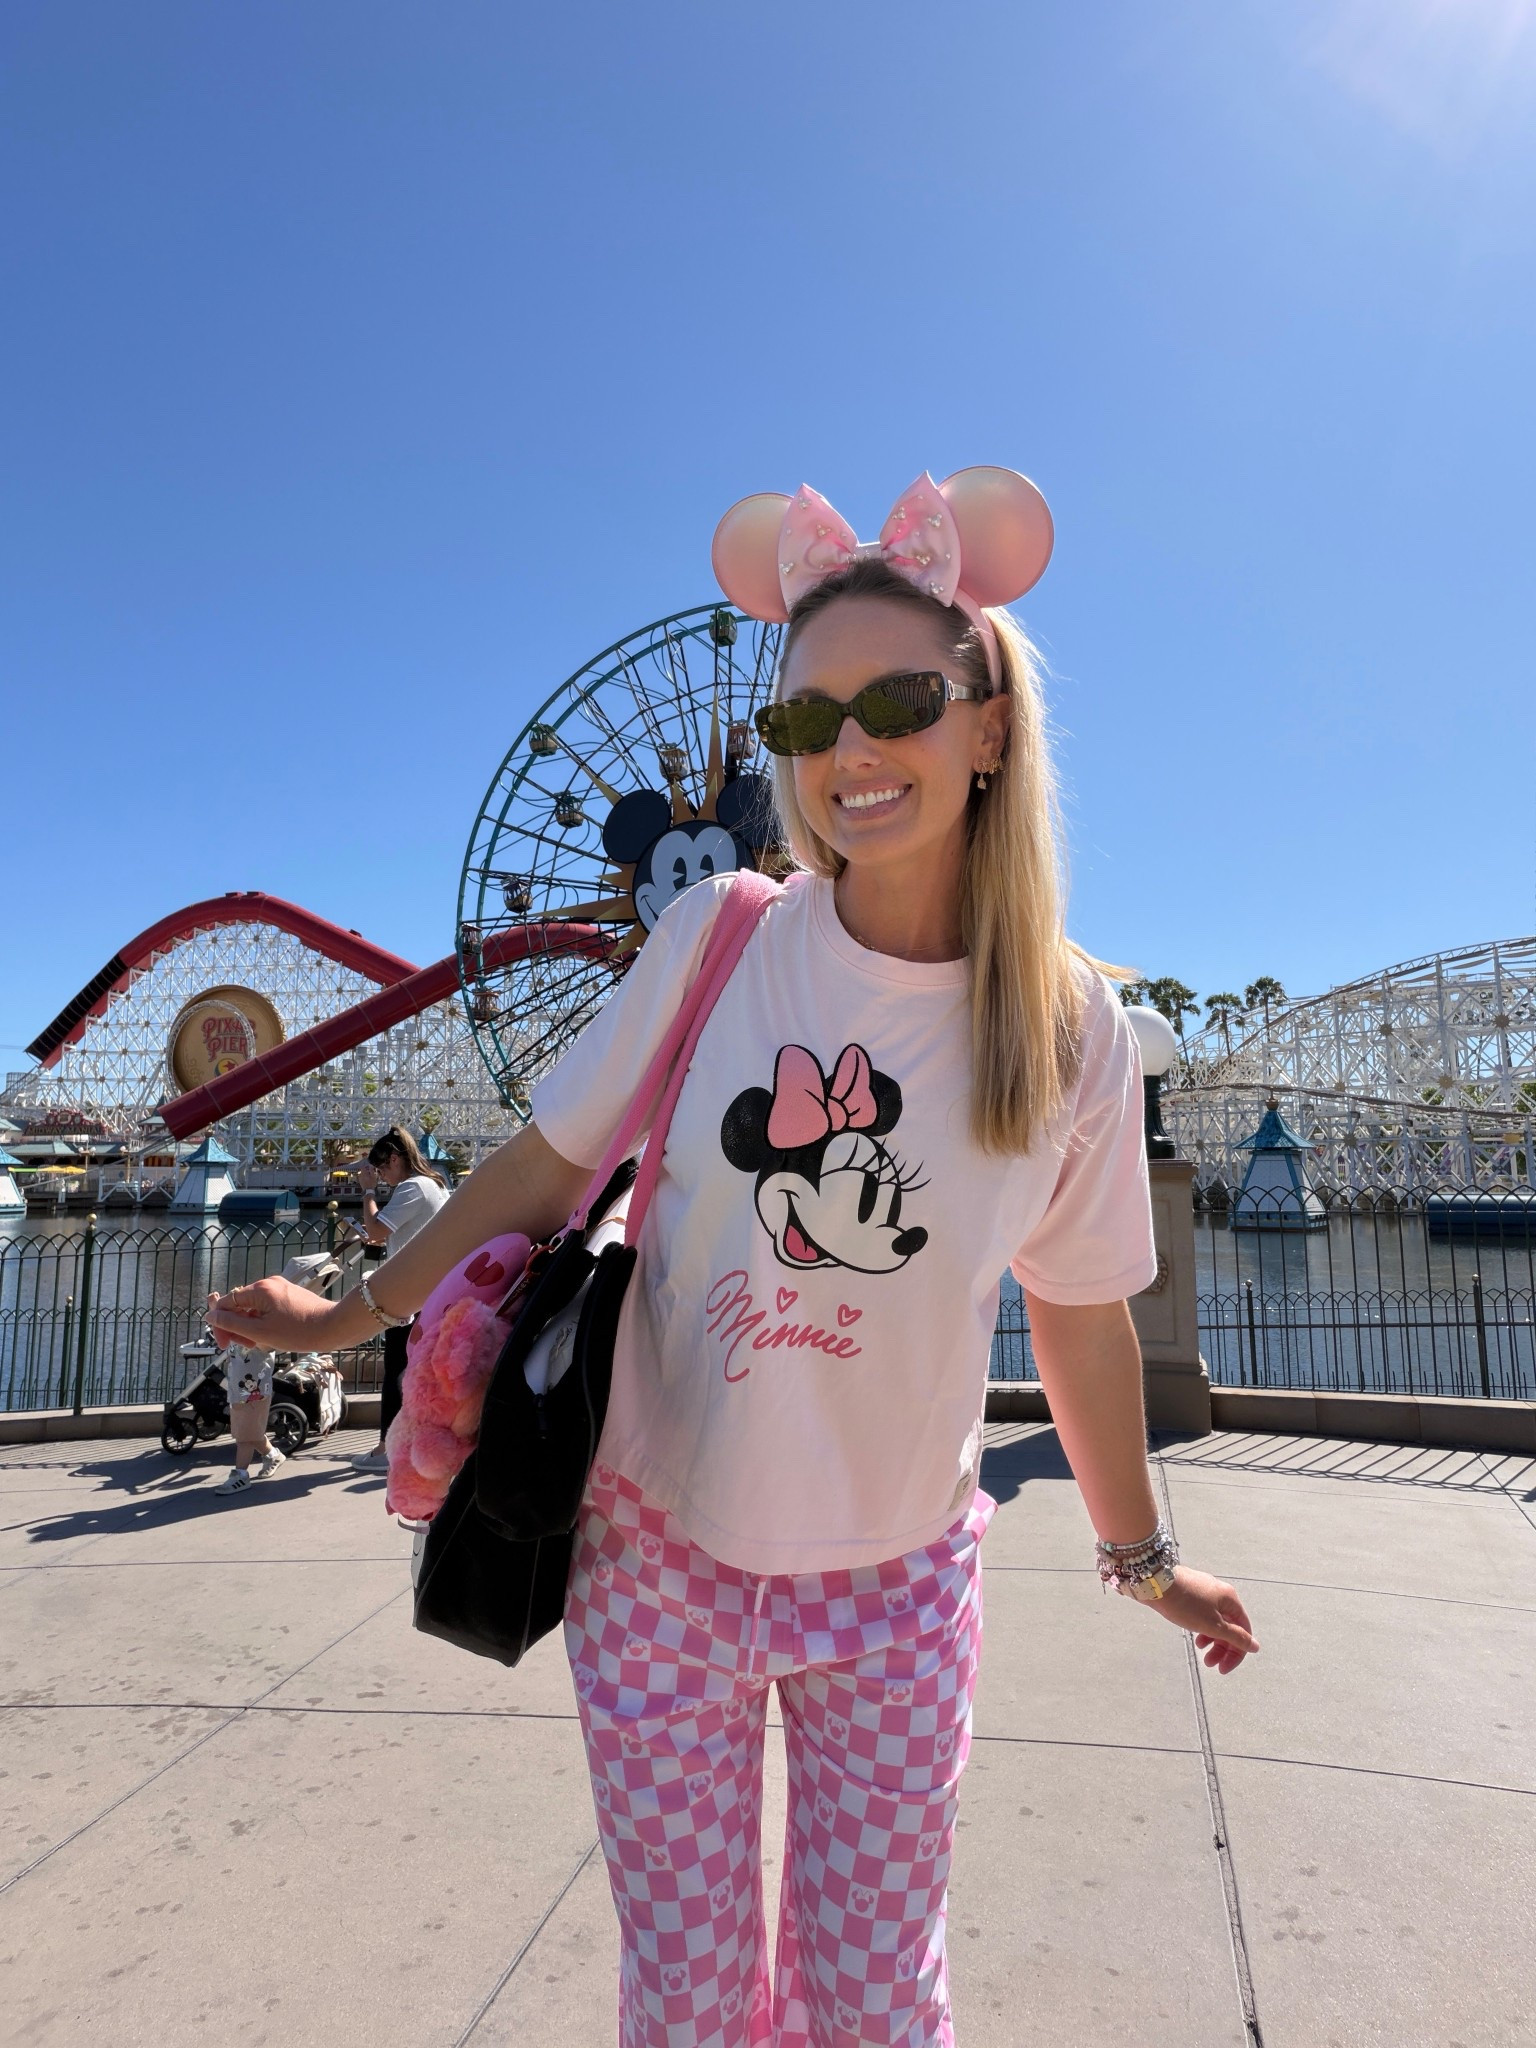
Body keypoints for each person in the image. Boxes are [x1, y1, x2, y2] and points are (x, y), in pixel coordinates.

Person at [208, 466, 1258, 2047]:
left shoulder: (1066, 1029)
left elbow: (1082, 1315)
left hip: (899, 1588)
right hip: (660, 1562)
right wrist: (342, 1318)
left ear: (989, 727)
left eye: (899, 701)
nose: (848, 753)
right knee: (687, 2003)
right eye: (802, 723)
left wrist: (1143, 1559)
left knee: (877, 2003)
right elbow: (549, 1169)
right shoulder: (722, 938)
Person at [347, 1127, 449, 1473]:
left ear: (394, 1159)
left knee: (396, 1371)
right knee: (417, 1372)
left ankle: (387, 1449)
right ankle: (411, 1443)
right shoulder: (434, 1184)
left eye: (382, 1169)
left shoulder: (411, 1187)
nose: (384, 1178)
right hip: (431, 1290)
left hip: (410, 1293)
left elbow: (375, 1229)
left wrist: (368, 1192)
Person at [213, 1344, 285, 1495]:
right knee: (247, 1430)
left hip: (255, 1392)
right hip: (238, 1390)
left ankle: (241, 1475)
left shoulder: (259, 1326)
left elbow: (273, 1345)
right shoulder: (238, 1326)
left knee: (244, 1437)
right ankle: (273, 1456)